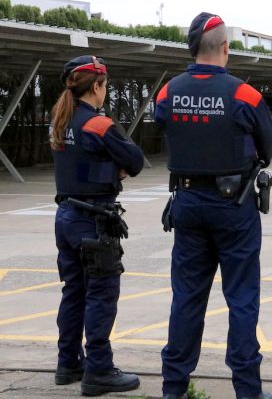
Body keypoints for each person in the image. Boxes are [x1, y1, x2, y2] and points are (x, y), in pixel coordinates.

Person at [154, 12, 272, 399]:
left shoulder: (168, 91)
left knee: (187, 296)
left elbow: (164, 125)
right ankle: (247, 391)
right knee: (241, 298)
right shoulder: (244, 94)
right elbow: (268, 150)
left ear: (192, 48)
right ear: (225, 48)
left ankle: (173, 388)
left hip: (187, 202)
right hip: (234, 207)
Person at [50, 55, 144, 396]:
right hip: (94, 219)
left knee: (73, 291)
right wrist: (114, 168)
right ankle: (99, 370)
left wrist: (106, 166)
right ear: (98, 86)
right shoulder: (98, 125)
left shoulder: (60, 120)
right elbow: (135, 161)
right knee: (102, 294)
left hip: (65, 216)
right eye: (106, 85)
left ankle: (68, 363)